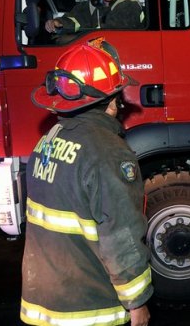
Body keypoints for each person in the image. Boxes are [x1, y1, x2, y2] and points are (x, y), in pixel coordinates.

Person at [20, 37, 153, 326]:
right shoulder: (108, 152)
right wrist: (137, 300)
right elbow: (121, 234)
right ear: (112, 102)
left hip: (43, 302)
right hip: (87, 306)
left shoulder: (48, 139)